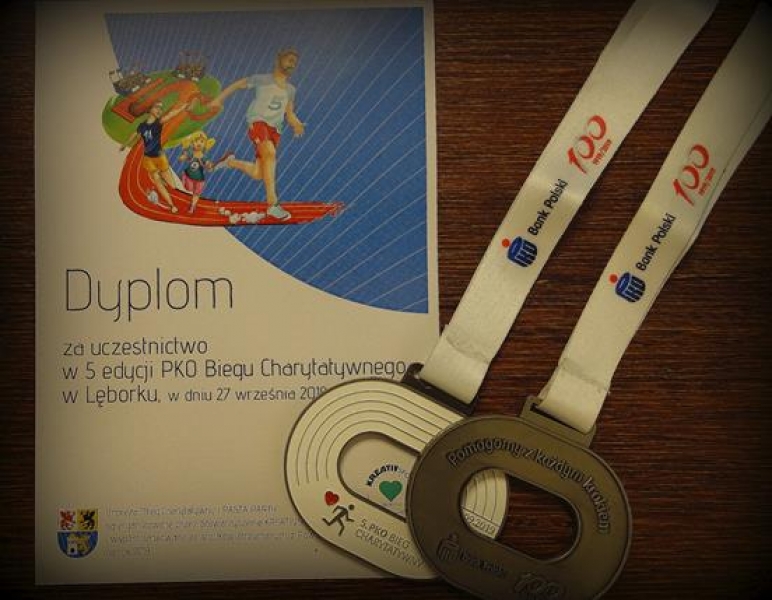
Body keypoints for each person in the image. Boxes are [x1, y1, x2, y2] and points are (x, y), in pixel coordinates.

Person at [209, 48, 305, 221]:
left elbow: (289, 113)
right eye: (289, 60)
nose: (292, 64)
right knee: (270, 154)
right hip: (258, 122)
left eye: (295, 62)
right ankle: (272, 205)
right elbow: (237, 85)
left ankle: (229, 161)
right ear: (279, 60)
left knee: (258, 173)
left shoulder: (291, 90)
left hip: (275, 130)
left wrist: (296, 123)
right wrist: (218, 99)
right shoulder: (262, 79)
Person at [120, 100, 189, 213]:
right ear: (150, 109)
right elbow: (135, 134)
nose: (159, 110)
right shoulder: (142, 126)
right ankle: (171, 205)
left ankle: (179, 201)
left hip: (160, 157)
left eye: (160, 108)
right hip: (148, 159)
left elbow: (170, 115)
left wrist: (182, 108)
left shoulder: (158, 123)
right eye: (157, 107)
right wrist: (125, 144)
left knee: (172, 186)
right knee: (157, 180)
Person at [178, 130, 216, 214]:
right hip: (188, 177)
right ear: (192, 143)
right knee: (188, 190)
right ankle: (183, 178)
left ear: (205, 144)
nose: (199, 143)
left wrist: (209, 165)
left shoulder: (204, 157)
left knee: (196, 193)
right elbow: (183, 157)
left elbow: (207, 163)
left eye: (202, 141)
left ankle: (192, 206)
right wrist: (183, 157)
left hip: (199, 179)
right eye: (196, 141)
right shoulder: (191, 152)